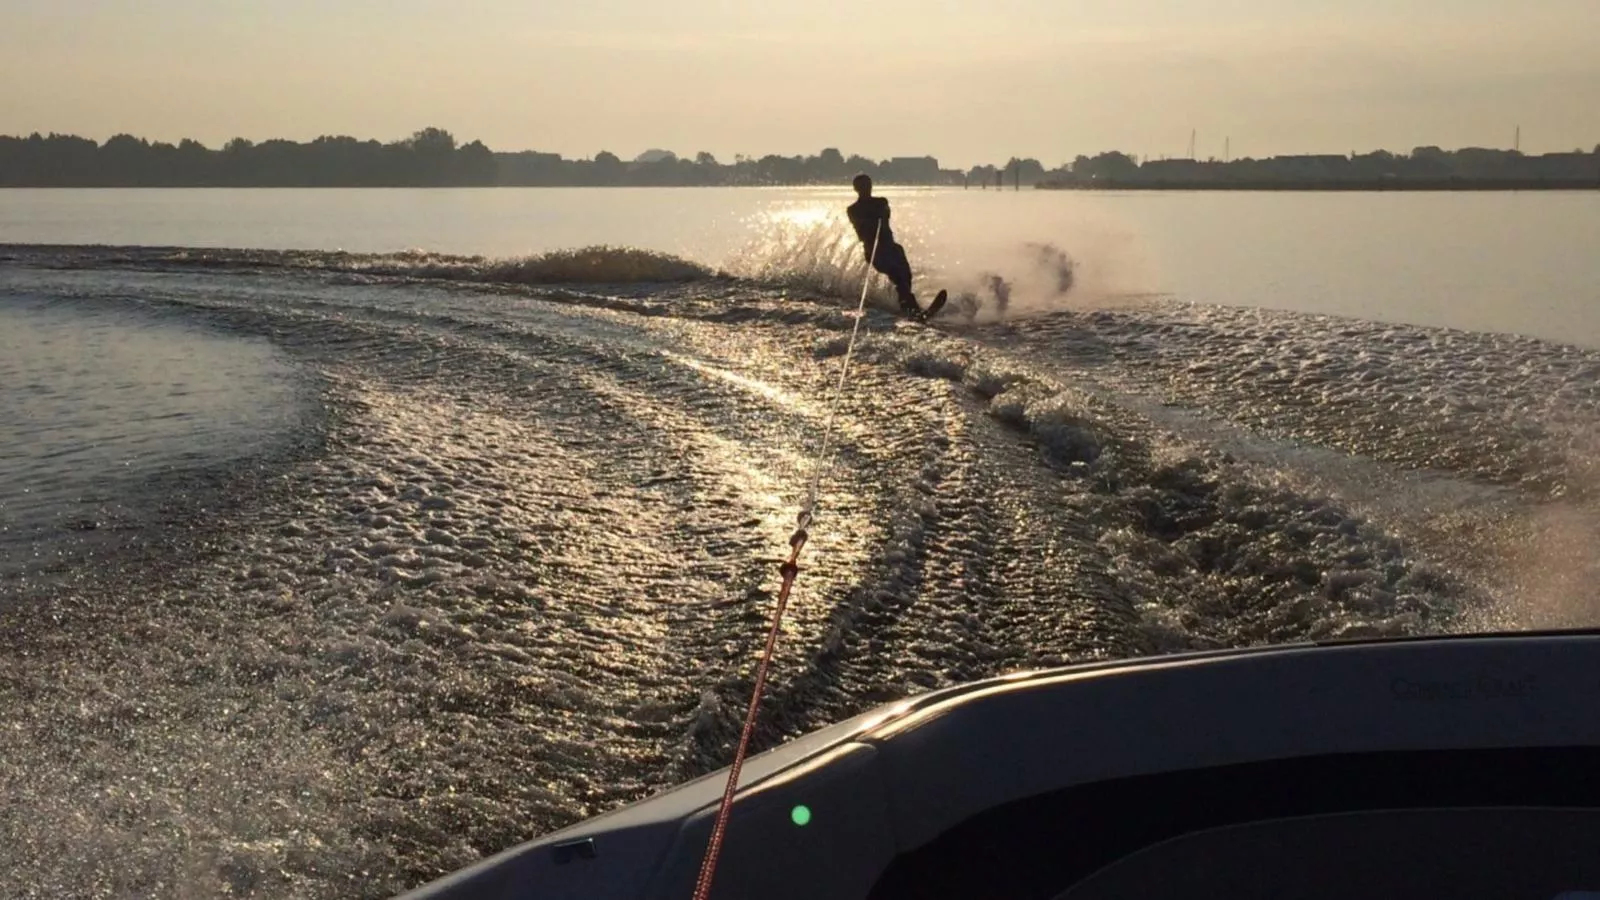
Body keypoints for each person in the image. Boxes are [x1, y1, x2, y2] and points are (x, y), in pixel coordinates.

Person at [845, 173, 923, 316]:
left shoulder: (881, 202)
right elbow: (860, 224)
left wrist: (881, 213)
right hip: (875, 252)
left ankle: (907, 304)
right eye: (863, 186)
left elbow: (886, 214)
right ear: (856, 189)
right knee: (898, 276)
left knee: (906, 276)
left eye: (868, 185)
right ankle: (912, 309)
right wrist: (871, 218)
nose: (867, 188)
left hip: (892, 247)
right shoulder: (853, 209)